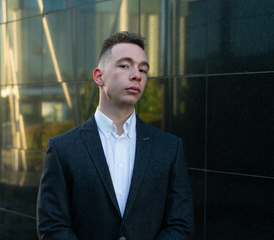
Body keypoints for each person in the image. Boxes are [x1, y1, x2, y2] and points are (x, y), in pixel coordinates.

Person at [37, 31, 194, 240]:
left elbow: (180, 224)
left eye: (143, 69)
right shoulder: (62, 149)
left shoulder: (169, 148)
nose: (137, 75)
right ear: (99, 76)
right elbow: (53, 226)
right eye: (125, 65)